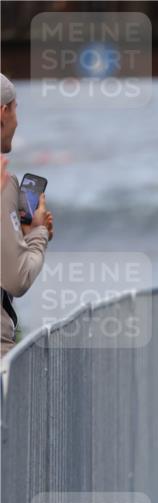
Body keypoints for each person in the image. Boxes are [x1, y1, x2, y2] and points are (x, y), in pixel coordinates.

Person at [1, 73, 53, 358]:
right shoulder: (3, 183)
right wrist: (36, 234)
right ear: (2, 113)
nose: (17, 121)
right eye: (16, 109)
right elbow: (17, 277)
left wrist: (15, 235)